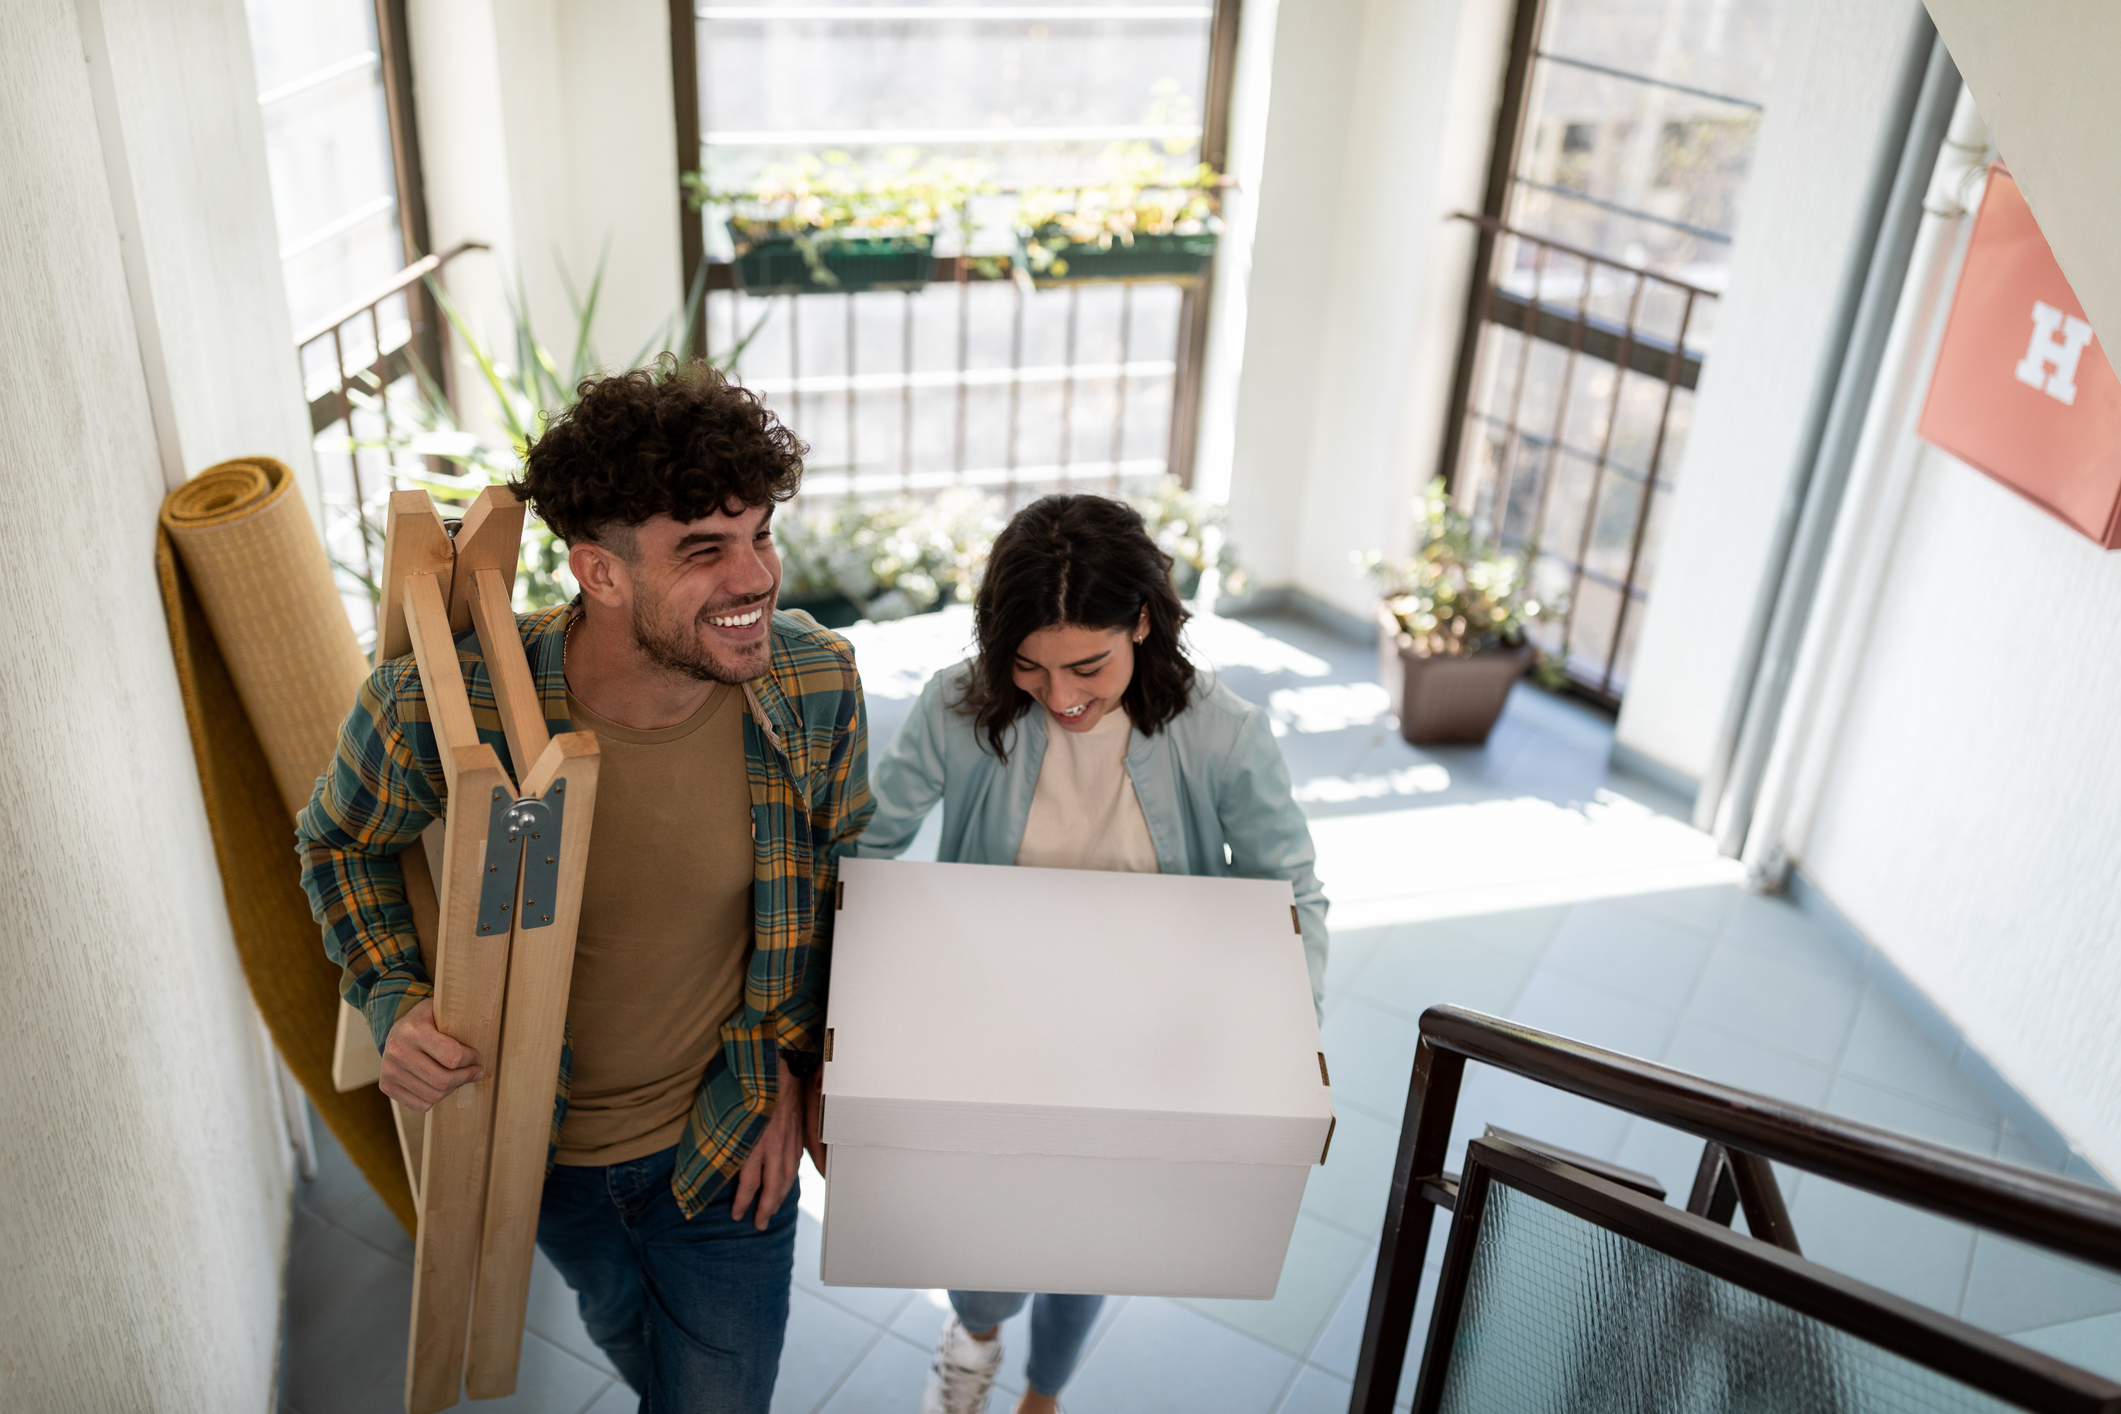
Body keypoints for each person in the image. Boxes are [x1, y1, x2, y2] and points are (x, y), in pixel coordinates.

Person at [297, 359, 872, 1413]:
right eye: (705, 550)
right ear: (599, 574)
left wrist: (798, 1068)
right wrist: (395, 997)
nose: (755, 578)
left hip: (727, 1134)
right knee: (624, 1327)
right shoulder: (447, 705)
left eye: (760, 534)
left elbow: (844, 886)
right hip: (536, 1145)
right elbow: (338, 844)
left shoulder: (813, 683)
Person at [856, 493, 1329, 1414]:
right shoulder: (957, 710)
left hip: (1142, 1046)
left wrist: (1277, 1044)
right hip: (996, 1035)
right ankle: (976, 1336)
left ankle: (1045, 1393)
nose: (1062, 696)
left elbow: (1289, 895)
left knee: (1091, 1243)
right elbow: (868, 847)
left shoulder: (1223, 733)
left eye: (1087, 665)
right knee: (984, 1247)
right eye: (1029, 667)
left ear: (1142, 623)